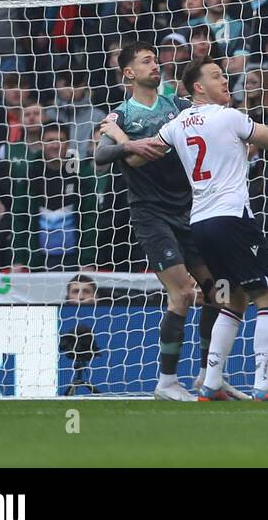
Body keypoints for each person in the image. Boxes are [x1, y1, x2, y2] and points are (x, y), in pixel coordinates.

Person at [127, 58, 268, 400]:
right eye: (216, 77)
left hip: (199, 223)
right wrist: (245, 140)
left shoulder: (176, 124)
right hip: (233, 218)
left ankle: (211, 382)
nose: (225, 81)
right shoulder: (228, 117)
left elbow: (138, 156)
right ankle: (263, 385)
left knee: (231, 297)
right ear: (198, 87)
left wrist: (116, 136)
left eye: (224, 75)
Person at [95, 41, 244, 401]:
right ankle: (166, 382)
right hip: (151, 215)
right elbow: (100, 154)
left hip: (191, 210)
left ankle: (209, 376)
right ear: (128, 73)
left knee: (218, 292)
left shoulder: (178, 107)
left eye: (155, 60)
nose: (155, 65)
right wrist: (128, 144)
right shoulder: (120, 115)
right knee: (183, 293)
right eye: (146, 61)